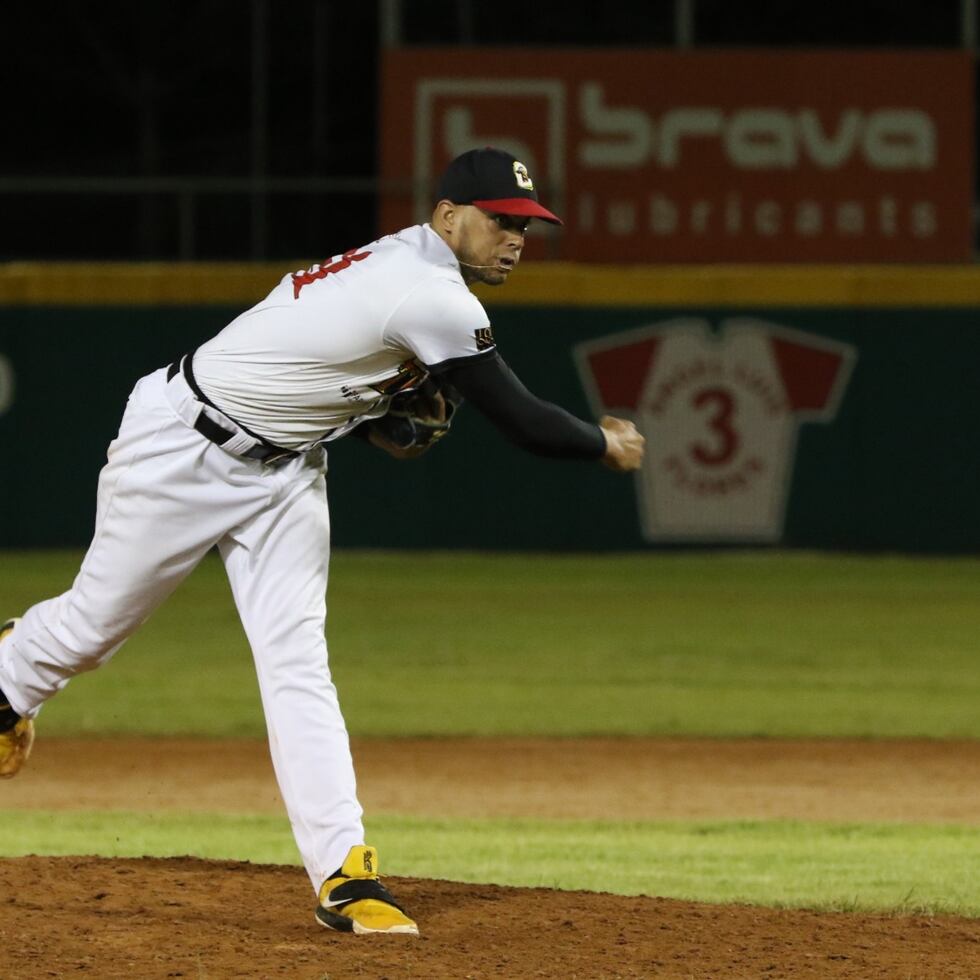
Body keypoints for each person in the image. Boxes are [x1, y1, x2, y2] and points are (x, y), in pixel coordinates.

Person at [0, 147, 645, 935]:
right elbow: (521, 418)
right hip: (182, 447)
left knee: (297, 660)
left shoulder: (404, 259)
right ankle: (9, 678)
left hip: (287, 468)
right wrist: (601, 444)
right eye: (500, 221)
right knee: (92, 630)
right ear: (448, 216)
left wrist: (377, 398)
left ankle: (344, 872)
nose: (517, 237)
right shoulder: (432, 293)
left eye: (527, 225)